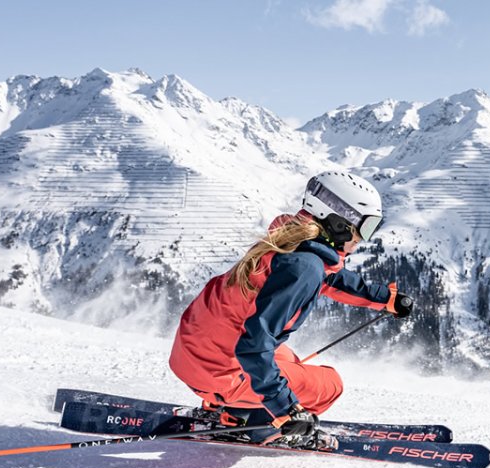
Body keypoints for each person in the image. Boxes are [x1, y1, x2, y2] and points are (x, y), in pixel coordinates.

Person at [167, 172, 413, 449]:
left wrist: (384, 299)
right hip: (221, 372)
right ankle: (256, 426)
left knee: (289, 361)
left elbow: (329, 278)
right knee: (329, 384)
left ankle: (233, 407)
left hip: (191, 352)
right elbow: (254, 346)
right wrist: (285, 409)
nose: (364, 239)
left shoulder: (289, 240)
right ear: (339, 223)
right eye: (365, 227)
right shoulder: (304, 268)